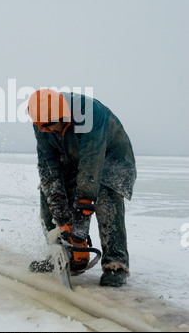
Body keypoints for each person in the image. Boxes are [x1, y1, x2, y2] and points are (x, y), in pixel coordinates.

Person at [28, 89, 137, 287]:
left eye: (54, 124)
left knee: (106, 201)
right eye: (44, 127)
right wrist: (59, 207)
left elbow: (91, 165)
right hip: (70, 158)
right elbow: (48, 165)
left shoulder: (90, 113)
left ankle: (116, 264)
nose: (50, 130)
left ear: (65, 115)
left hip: (110, 159)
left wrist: (81, 214)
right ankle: (62, 254)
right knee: (49, 203)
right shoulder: (42, 120)